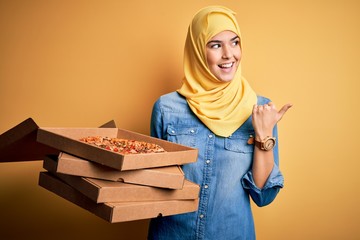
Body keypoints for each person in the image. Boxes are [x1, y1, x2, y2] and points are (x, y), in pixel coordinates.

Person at [147, 5, 292, 240]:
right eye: (215, 45)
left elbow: (263, 197)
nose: (229, 54)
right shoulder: (166, 108)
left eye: (235, 42)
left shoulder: (260, 110)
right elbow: (153, 184)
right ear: (196, 50)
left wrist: (263, 135)